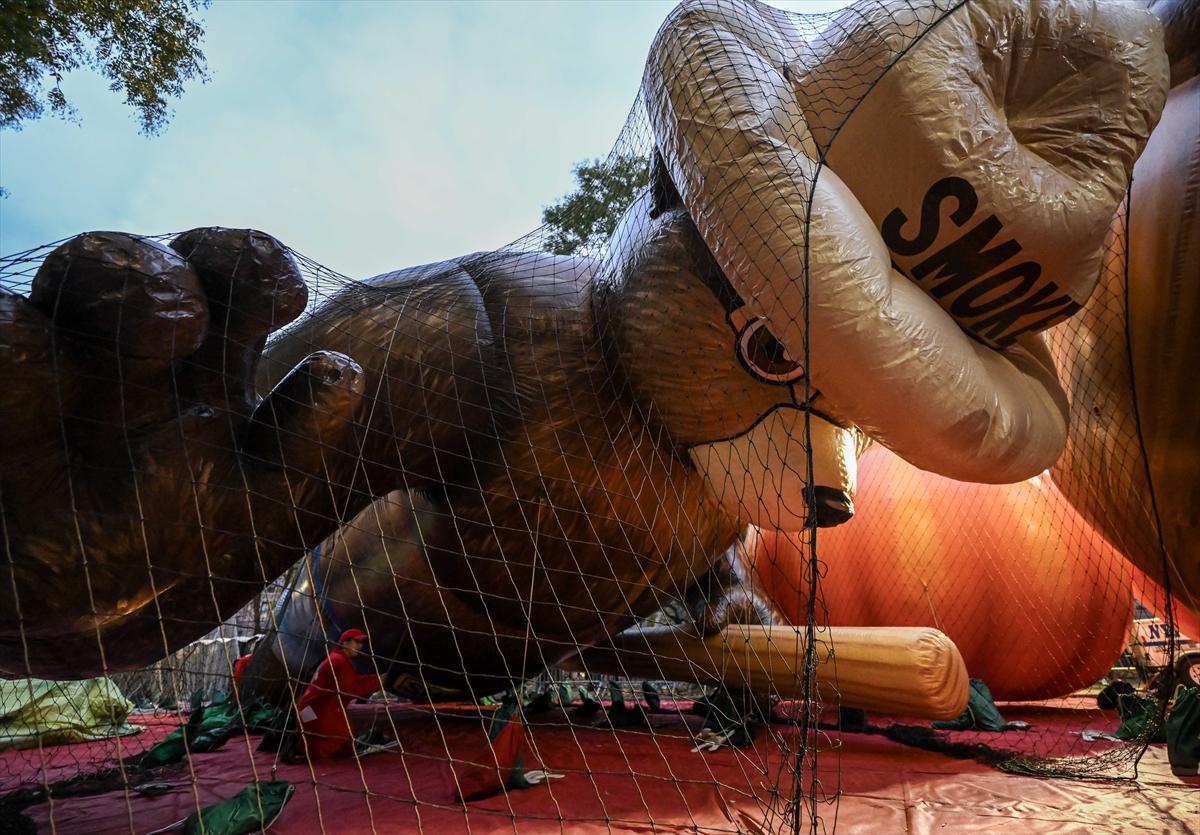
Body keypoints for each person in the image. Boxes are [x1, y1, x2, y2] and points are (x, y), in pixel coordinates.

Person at [296, 628, 386, 759]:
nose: (360, 646)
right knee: (340, 740)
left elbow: (354, 679)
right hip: (320, 711)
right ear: (345, 643)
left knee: (324, 737)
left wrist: (377, 678)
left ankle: (304, 751)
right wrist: (378, 683)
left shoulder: (336, 658)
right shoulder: (340, 661)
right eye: (356, 642)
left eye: (361, 643)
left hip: (309, 709)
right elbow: (349, 691)